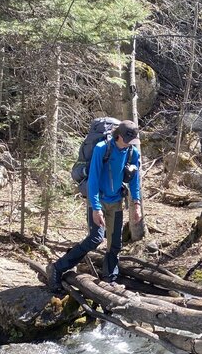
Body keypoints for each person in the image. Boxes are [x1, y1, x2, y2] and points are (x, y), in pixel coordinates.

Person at [46, 119, 142, 291]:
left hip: (116, 202)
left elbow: (135, 180)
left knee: (115, 244)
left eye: (132, 141)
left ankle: (109, 280)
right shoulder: (102, 149)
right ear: (118, 136)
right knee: (95, 238)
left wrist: (136, 203)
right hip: (97, 199)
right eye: (127, 141)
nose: (129, 145)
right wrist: (96, 208)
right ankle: (57, 268)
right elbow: (93, 180)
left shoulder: (132, 153)